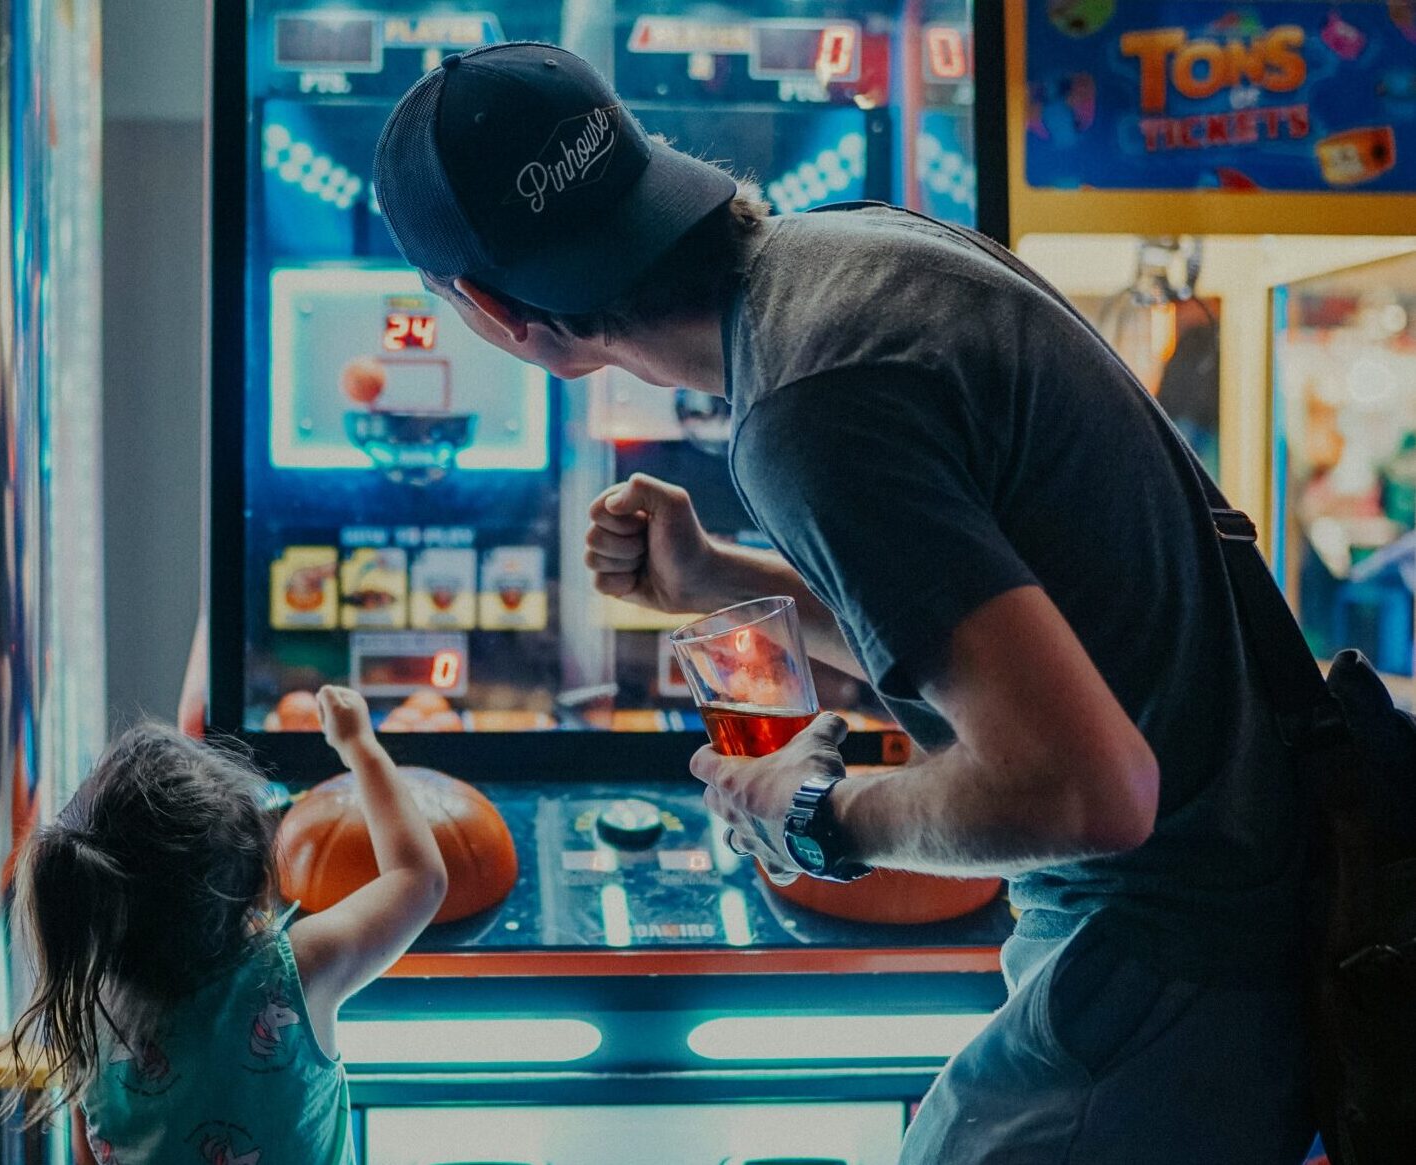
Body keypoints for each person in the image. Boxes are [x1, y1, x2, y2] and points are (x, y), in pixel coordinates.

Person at [371, 43, 1312, 1164]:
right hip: (1244, 909)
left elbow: (1090, 788)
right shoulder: (853, 254)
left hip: (1170, 961)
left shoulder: (809, 407)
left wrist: (817, 811)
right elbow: (1012, 631)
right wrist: (721, 574)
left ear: (488, 309)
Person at [3, 688, 447, 1164]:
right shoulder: (294, 974)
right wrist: (360, 746)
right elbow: (418, 880)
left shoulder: (87, 1009)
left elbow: (89, 1153)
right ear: (256, 886)